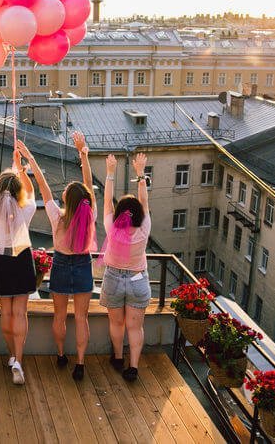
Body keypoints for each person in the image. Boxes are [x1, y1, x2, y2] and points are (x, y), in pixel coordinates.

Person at [17, 133, 95, 381]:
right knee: (82, 318)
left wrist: (30, 157)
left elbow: (43, 186)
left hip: (61, 264)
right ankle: (81, 363)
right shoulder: (88, 214)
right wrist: (83, 153)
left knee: (59, 316)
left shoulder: (56, 216)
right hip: (83, 264)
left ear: (67, 199)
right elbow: (89, 183)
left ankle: (61, 355)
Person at [0, 150, 37, 385]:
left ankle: (11, 355)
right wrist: (22, 169)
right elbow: (32, 192)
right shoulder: (26, 210)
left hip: (2, 260)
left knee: (5, 311)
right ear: (18, 192)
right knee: (20, 313)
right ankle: (19, 360)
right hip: (23, 259)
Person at [100, 152, 151, 382]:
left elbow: (107, 203)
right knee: (135, 327)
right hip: (138, 280)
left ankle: (118, 357)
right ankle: (133, 368)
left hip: (112, 279)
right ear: (140, 214)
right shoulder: (144, 229)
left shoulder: (112, 228)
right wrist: (140, 173)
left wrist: (110, 173)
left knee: (116, 323)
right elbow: (145, 203)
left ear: (119, 214)